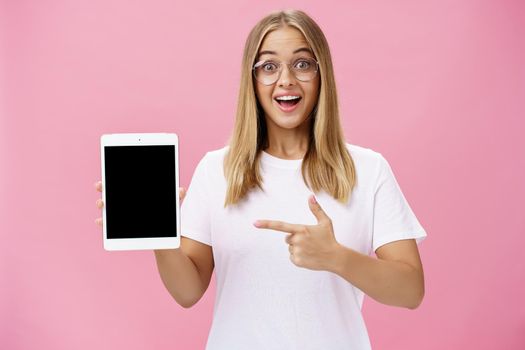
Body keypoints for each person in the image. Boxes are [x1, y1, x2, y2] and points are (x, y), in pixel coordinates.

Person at [95, 9, 427, 350]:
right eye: (269, 67)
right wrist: (160, 235)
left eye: (302, 64)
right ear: (252, 81)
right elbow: (188, 292)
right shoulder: (216, 170)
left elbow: (410, 290)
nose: (286, 80)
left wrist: (336, 257)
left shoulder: (368, 170)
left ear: (321, 73)